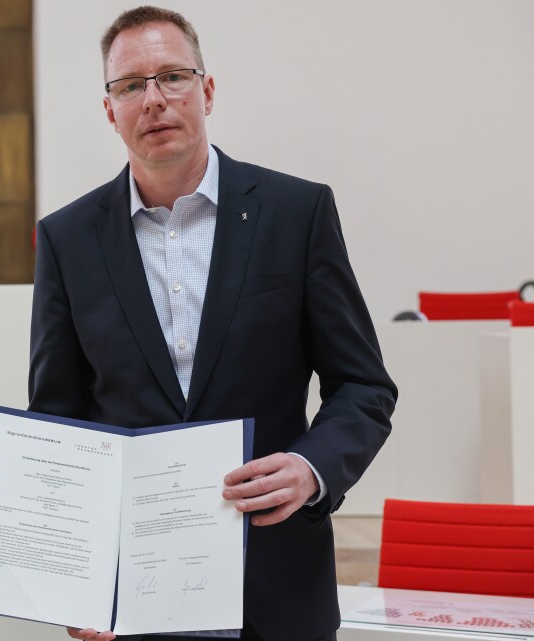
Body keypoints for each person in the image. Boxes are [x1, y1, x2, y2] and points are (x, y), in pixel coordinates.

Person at [28, 7, 396, 641]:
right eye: (130, 85)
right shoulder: (65, 240)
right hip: (135, 597)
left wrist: (310, 468)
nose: (154, 100)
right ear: (109, 110)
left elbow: (364, 388)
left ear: (208, 89)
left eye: (173, 76)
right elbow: (61, 425)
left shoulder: (296, 213)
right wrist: (77, 584)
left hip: (277, 584)